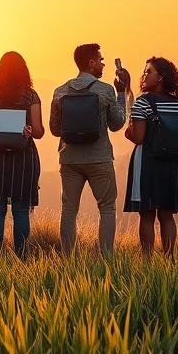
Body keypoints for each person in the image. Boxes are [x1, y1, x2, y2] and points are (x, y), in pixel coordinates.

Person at [49, 43, 131, 254]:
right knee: (107, 208)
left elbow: (55, 129)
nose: (103, 64)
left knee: (68, 210)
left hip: (70, 159)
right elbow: (117, 124)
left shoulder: (60, 91)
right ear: (91, 62)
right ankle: (106, 257)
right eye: (101, 60)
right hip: (99, 158)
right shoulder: (105, 90)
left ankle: (68, 259)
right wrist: (121, 93)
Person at [0, 51, 44, 258]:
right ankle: (22, 258)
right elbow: (39, 132)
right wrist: (29, 131)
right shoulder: (31, 95)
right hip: (23, 157)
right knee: (21, 210)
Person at [124, 56, 178, 257]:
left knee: (146, 215)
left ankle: (147, 260)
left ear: (160, 77)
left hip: (146, 162)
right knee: (167, 215)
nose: (144, 75)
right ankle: (169, 259)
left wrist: (128, 130)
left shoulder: (142, 103)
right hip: (170, 164)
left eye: (148, 72)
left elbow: (138, 138)